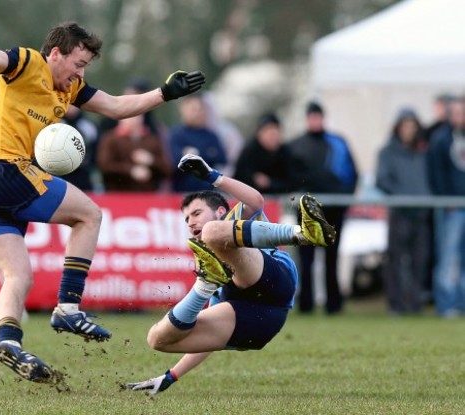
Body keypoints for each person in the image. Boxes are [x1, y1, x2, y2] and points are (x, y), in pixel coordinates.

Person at [0, 21, 205, 382]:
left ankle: (9, 340)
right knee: (89, 214)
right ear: (56, 53)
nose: (80, 72)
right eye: (78, 63)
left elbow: (116, 106)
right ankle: (68, 306)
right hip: (3, 169)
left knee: (18, 276)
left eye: (85, 67)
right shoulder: (28, 63)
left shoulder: (71, 87)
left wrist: (165, 93)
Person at [125, 154, 335, 395]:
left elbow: (256, 201)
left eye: (195, 213)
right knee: (156, 338)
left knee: (213, 232)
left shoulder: (231, 219)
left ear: (222, 210)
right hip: (258, 322)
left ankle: (303, 235)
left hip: (276, 286)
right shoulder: (206, 257)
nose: (190, 222)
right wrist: (171, 376)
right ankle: (205, 285)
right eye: (186, 219)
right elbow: (211, 334)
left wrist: (211, 176)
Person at [288, 101, 358, 315]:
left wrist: (343, 201)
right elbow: (290, 178)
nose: (315, 121)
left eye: (317, 116)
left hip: (334, 211)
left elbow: (352, 175)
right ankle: (306, 304)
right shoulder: (296, 146)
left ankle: (333, 304)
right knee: (306, 259)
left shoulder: (337, 143)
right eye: (312, 117)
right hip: (306, 211)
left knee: (331, 258)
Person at [375, 108, 432, 315]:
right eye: (405, 126)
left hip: (422, 214)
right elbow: (382, 180)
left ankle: (415, 304)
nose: (408, 130)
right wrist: (402, 195)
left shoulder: (424, 152)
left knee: (420, 260)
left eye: (412, 126)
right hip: (400, 213)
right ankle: (396, 304)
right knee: (395, 261)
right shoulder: (387, 152)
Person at [426, 96, 465, 318]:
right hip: (451, 208)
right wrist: (444, 198)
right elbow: (435, 173)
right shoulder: (441, 140)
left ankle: (462, 301)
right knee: (448, 257)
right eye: (457, 112)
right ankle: (447, 303)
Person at [96, 109, 171, 192]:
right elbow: (104, 165)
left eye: (137, 115)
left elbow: (167, 170)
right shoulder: (110, 139)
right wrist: (130, 170)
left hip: (148, 196)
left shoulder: (152, 139)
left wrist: (151, 160)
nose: (133, 119)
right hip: (117, 195)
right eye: (128, 115)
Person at [169, 94, 227, 192]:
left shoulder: (211, 135)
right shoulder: (176, 135)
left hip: (209, 190)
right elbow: (174, 162)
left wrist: (196, 154)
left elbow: (221, 159)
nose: (197, 113)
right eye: (193, 109)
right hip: (181, 191)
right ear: (183, 110)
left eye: (200, 109)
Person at [233, 113, 295, 194]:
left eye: (275, 133)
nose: (272, 137)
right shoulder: (249, 152)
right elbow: (239, 179)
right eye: (268, 133)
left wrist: (270, 184)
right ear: (260, 134)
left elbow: (292, 182)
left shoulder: (285, 152)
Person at [61, 105, 100, 191]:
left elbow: (95, 151)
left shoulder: (89, 126)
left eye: (73, 104)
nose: (71, 107)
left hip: (83, 174)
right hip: (59, 172)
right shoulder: (54, 124)